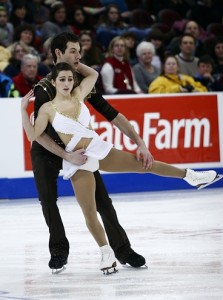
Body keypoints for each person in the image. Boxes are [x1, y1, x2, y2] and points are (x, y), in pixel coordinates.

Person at [21, 62, 221, 271]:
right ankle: (106, 253)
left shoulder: (79, 93)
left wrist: (76, 63)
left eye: (70, 79)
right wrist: (23, 111)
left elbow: (93, 74)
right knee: (89, 211)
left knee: (143, 165)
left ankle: (191, 176)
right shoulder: (47, 109)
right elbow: (33, 136)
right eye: (62, 79)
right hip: (78, 160)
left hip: (98, 148)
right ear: (53, 82)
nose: (67, 83)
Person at [30, 32, 151, 272]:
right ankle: (59, 252)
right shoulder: (44, 88)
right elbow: (39, 134)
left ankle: (123, 250)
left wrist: (139, 140)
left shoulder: (79, 84)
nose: (79, 55)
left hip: (78, 149)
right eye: (74, 51)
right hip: (47, 151)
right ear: (58, 53)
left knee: (103, 202)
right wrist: (66, 156)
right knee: (48, 200)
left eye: (80, 51)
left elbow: (110, 112)